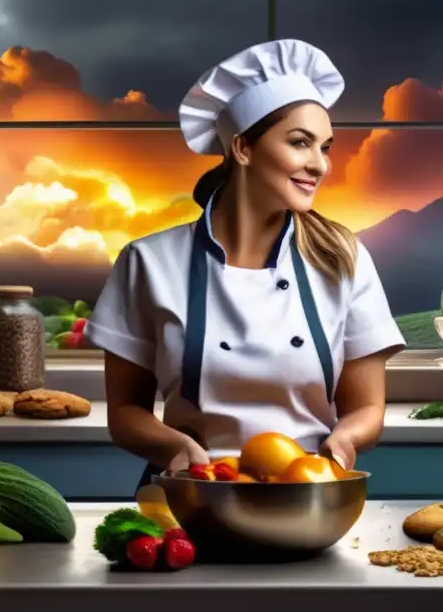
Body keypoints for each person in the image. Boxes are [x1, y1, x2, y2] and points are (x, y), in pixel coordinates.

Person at [84, 39, 405, 493]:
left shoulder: (343, 259)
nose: (320, 164)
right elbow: (124, 413)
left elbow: (367, 409)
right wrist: (177, 451)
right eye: (300, 143)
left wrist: (341, 444)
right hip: (192, 492)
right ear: (242, 148)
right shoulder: (148, 263)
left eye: (326, 147)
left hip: (308, 490)